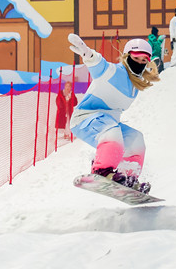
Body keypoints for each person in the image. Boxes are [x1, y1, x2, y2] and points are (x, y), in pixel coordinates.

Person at [68, 34, 160, 193]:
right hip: (85, 119)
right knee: (112, 132)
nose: (139, 63)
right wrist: (88, 54)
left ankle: (128, 177)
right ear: (127, 56)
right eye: (136, 58)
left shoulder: (134, 85)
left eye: (143, 60)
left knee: (136, 139)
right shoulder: (114, 72)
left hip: (107, 122)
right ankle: (102, 171)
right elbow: (99, 65)